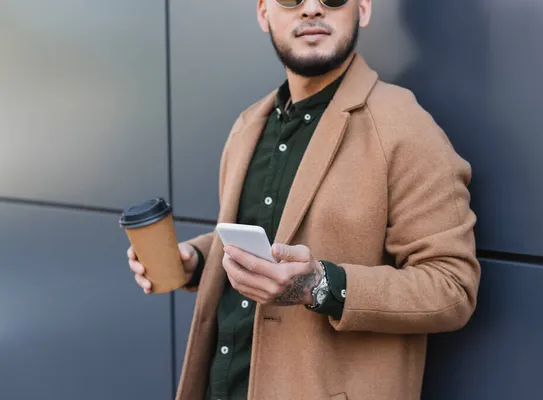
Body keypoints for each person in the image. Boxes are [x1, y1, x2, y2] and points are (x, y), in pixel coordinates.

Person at [127, 0, 480, 399]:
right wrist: (197, 261)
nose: (311, 8)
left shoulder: (406, 127)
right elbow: (267, 238)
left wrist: (318, 285)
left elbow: (453, 288)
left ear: (363, 8)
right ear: (263, 13)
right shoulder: (249, 125)